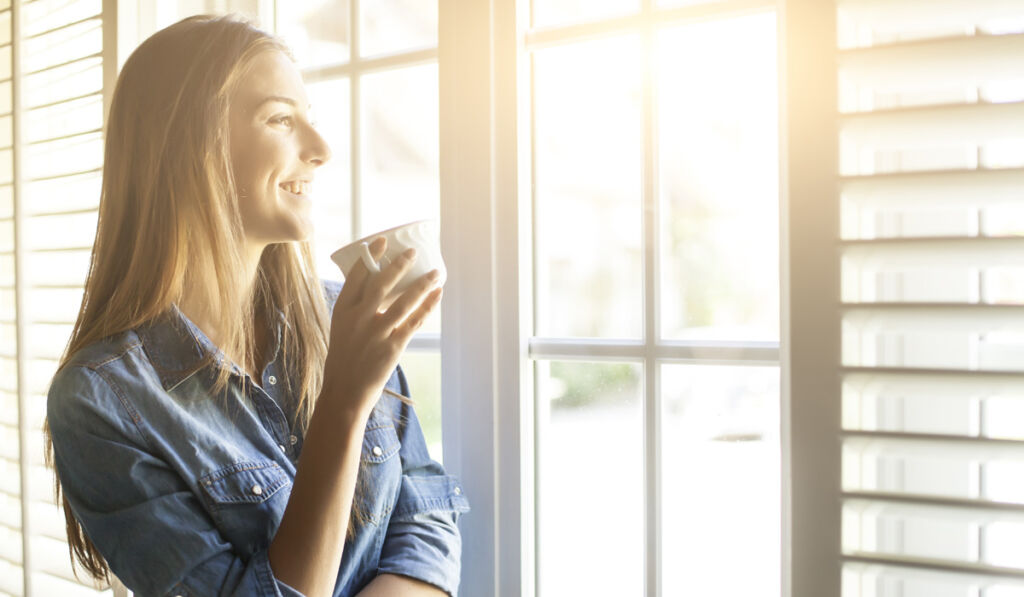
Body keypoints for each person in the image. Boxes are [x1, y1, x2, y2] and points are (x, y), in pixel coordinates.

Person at [44, 14, 468, 597]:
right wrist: (342, 405)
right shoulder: (101, 402)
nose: (320, 150)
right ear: (189, 147)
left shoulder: (339, 316)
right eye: (280, 120)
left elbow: (424, 514)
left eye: (310, 121)